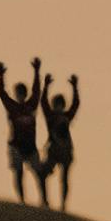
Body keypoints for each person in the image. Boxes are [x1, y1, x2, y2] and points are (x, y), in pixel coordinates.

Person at [3, 65, 42, 203]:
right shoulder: (13, 107)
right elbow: (3, 94)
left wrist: (37, 71)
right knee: (18, 174)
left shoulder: (31, 105)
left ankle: (43, 199)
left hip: (31, 146)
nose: (20, 96)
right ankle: (21, 200)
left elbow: (37, 91)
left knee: (39, 173)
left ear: (25, 94)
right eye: (18, 93)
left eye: (22, 93)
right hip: (16, 145)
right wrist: (1, 76)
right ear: (16, 94)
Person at [45, 69, 81, 209]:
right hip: (53, 150)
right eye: (56, 105)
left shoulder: (66, 116)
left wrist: (74, 87)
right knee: (44, 173)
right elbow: (43, 103)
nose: (58, 107)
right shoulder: (50, 116)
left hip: (65, 150)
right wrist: (46, 86)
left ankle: (63, 205)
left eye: (60, 105)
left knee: (64, 179)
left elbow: (75, 105)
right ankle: (45, 200)